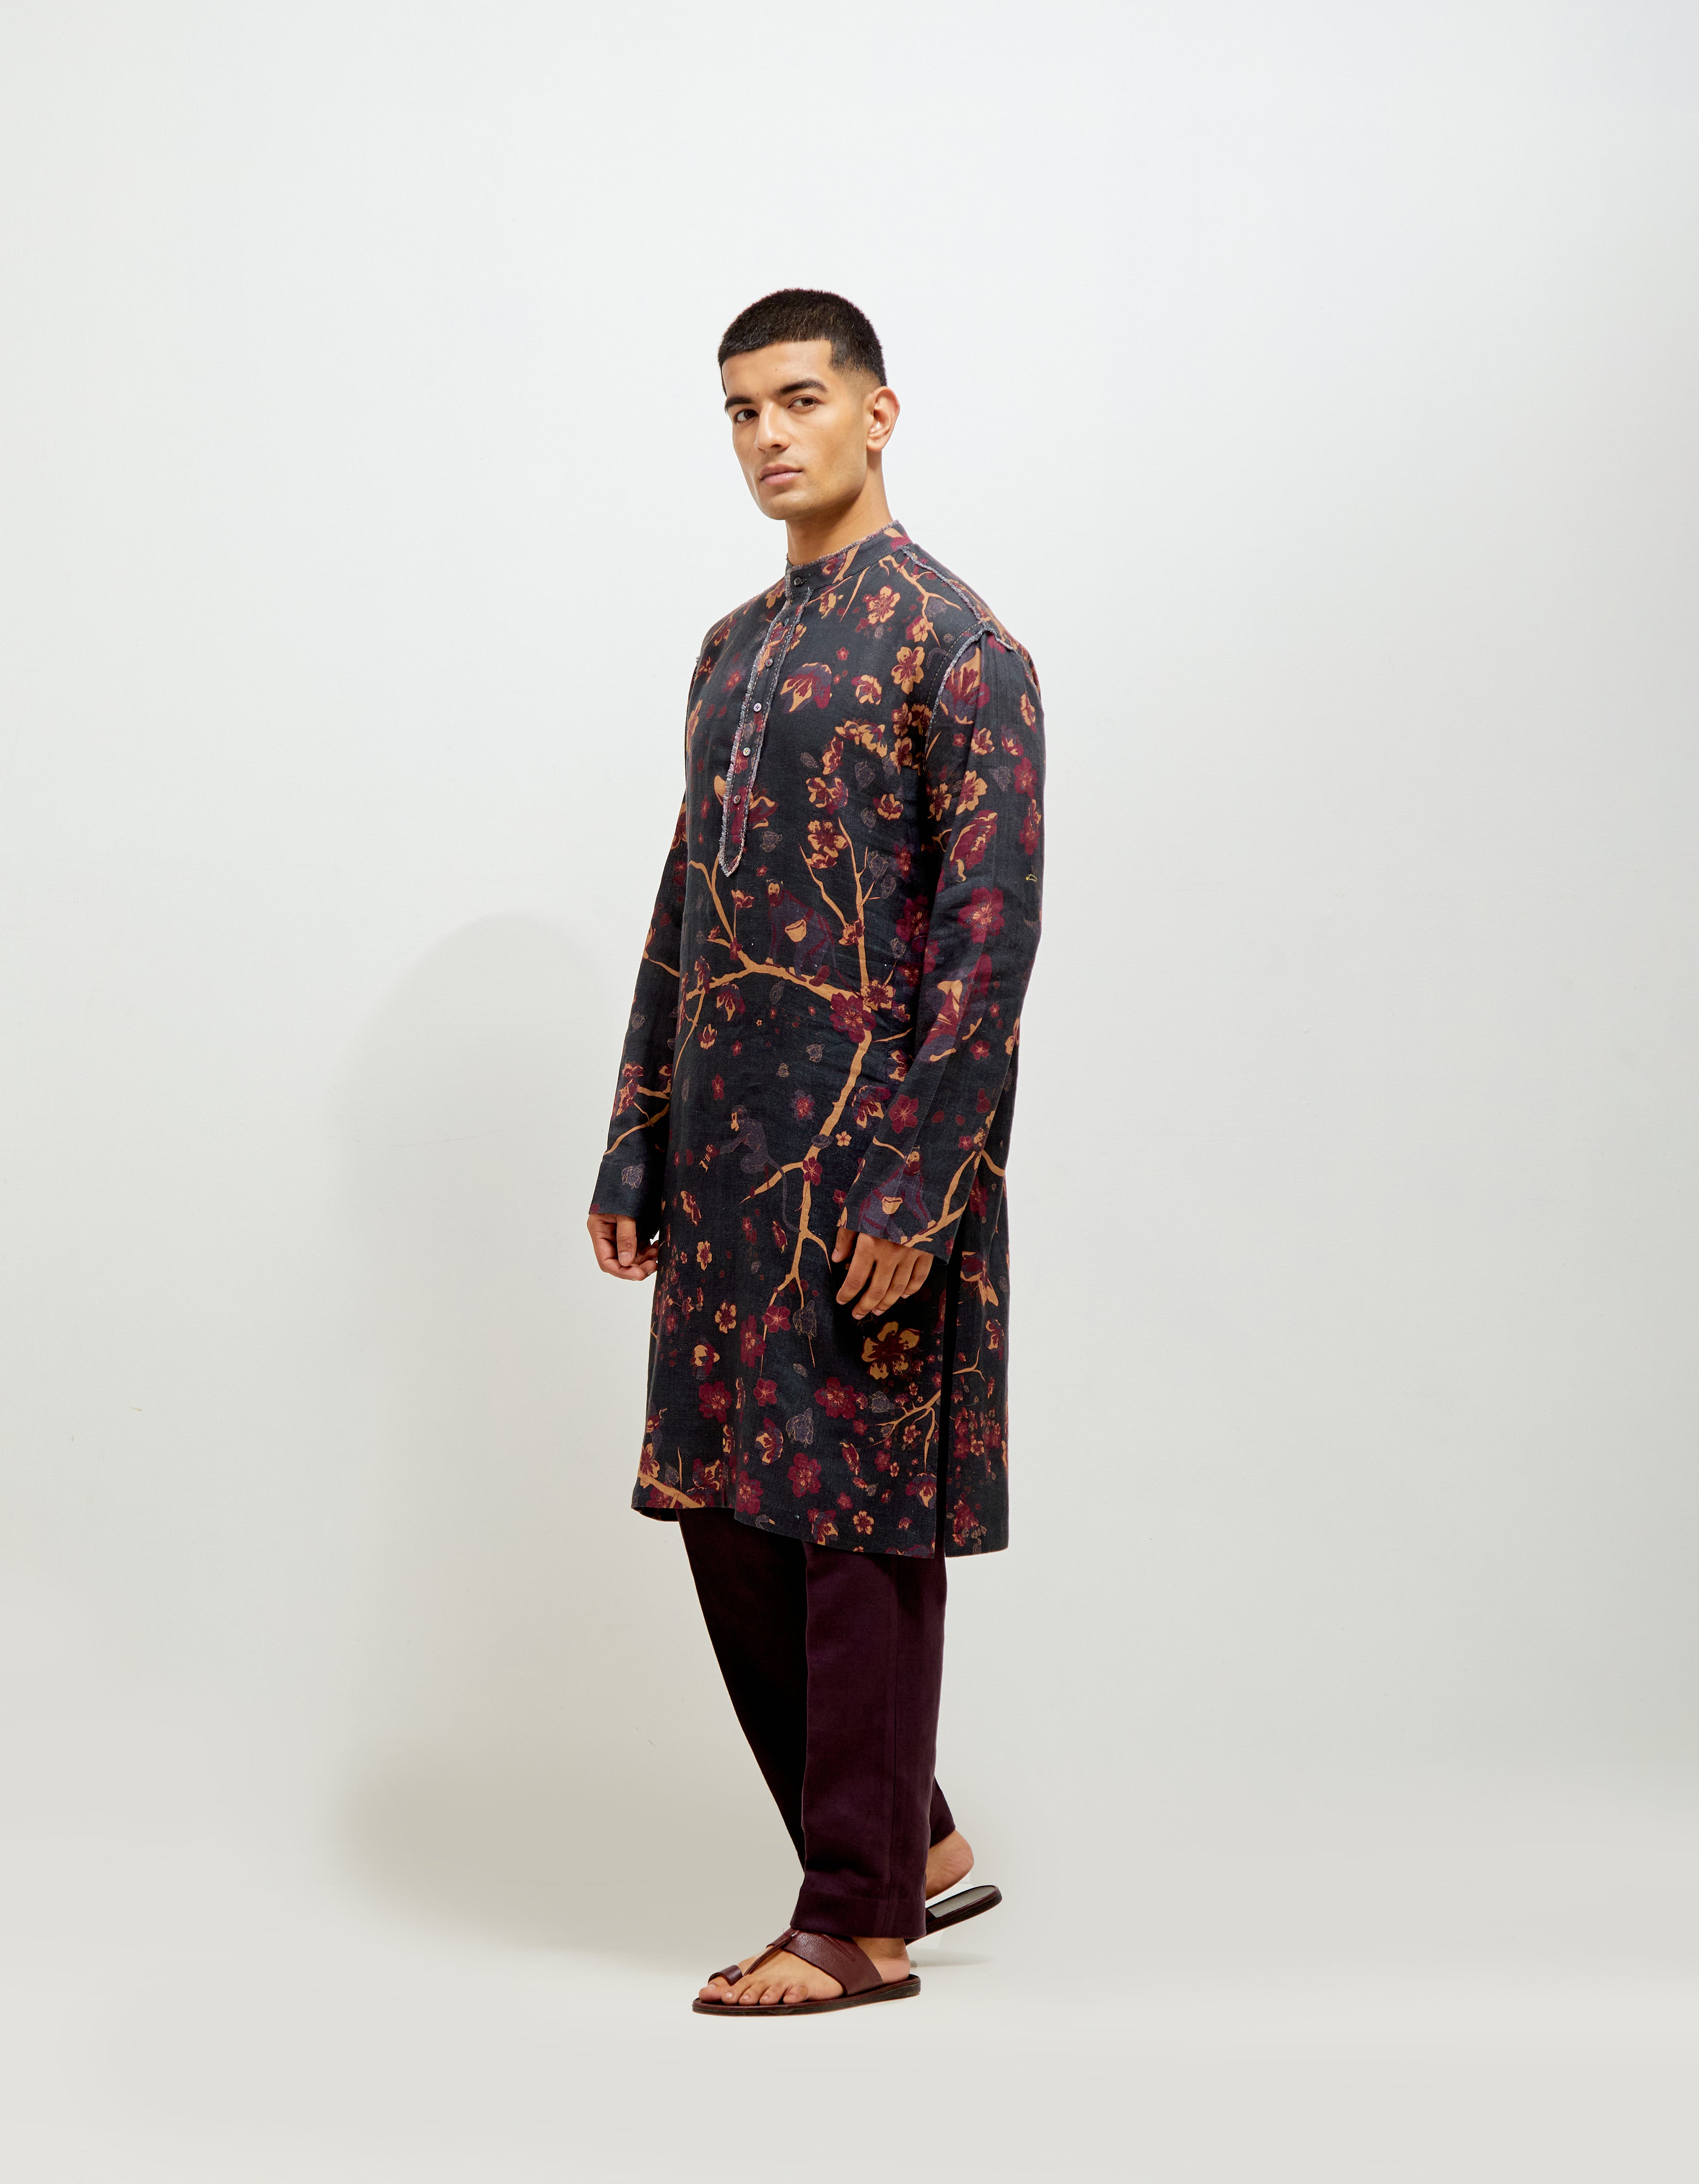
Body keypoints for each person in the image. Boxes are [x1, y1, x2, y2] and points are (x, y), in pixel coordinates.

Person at [586, 289, 1045, 2017]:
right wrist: (635, 1138)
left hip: (872, 1166)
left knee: (856, 1521)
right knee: (719, 1501)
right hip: (726, 1155)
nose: (768, 436)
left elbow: (988, 937)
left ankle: (857, 1918)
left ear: (877, 412)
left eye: (797, 400)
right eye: (740, 411)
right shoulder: (730, 649)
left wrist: (920, 1184)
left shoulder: (961, 649)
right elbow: (685, 898)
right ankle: (907, 1831)